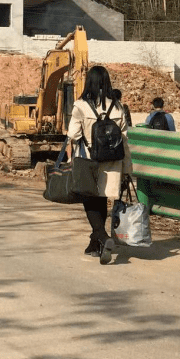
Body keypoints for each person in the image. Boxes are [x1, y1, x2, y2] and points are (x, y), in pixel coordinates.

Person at [67, 66, 133, 265]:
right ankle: (94, 243)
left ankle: (103, 238)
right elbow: (124, 138)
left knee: (89, 199)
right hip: (112, 161)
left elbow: (73, 134)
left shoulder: (80, 106)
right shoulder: (118, 107)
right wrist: (127, 168)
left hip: (88, 159)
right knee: (103, 199)